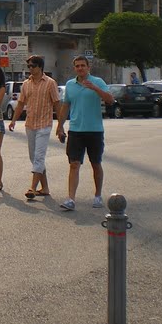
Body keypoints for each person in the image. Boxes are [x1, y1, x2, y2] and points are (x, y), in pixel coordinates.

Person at [56, 55, 113, 211]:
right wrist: (60, 126)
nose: (80, 68)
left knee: (96, 164)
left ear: (88, 67)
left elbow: (110, 100)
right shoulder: (70, 85)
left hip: (94, 130)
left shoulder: (98, 81)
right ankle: (71, 199)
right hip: (75, 131)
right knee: (74, 164)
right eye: (77, 66)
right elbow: (66, 106)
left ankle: (97, 195)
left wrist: (94, 88)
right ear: (74, 68)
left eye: (83, 65)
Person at [8, 55, 59, 199]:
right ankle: (45, 188)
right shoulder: (26, 84)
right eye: (28, 66)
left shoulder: (50, 83)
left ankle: (32, 187)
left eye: (33, 66)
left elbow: (57, 103)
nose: (30, 68)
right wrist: (13, 121)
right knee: (34, 157)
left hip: (44, 124)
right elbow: (20, 104)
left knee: (39, 157)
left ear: (40, 67)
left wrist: (60, 125)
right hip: (30, 124)